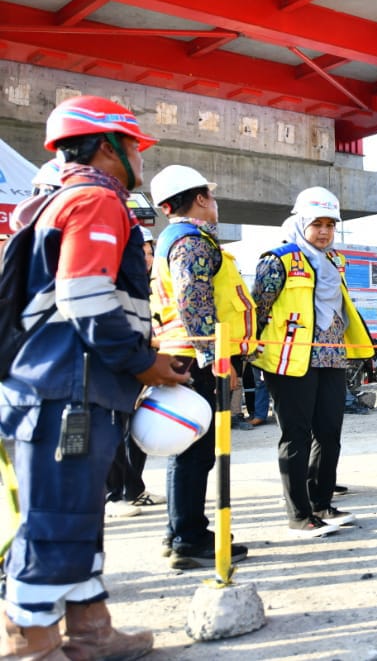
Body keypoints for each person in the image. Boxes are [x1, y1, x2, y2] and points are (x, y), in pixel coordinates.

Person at [1, 95, 187, 658]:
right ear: (107, 147)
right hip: (68, 391)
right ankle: (31, 643)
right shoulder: (95, 200)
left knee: (77, 515)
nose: (139, 157)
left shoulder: (55, 201)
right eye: (132, 145)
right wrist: (143, 363)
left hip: (60, 386)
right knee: (56, 519)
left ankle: (89, 630)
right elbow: (85, 300)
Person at [252, 186, 374, 538]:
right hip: (291, 361)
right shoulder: (278, 260)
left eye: (330, 225)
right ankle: (298, 514)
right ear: (301, 222)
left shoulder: (336, 261)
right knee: (296, 436)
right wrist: (253, 356)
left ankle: (322, 503)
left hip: (332, 358)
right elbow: (258, 310)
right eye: (317, 224)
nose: (324, 231)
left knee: (329, 434)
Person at [150, 164, 254, 569]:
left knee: (187, 447)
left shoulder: (172, 240)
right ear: (199, 199)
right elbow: (194, 302)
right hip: (195, 356)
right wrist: (216, 359)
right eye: (210, 196)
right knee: (195, 451)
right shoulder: (191, 242)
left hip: (181, 351)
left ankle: (179, 529)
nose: (215, 203)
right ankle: (188, 536)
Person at [104, 225, 162, 519]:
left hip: (143, 362)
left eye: (150, 252)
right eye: (141, 252)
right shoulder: (114, 283)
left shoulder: (150, 285)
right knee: (115, 430)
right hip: (119, 365)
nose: (146, 257)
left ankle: (134, 488)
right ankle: (114, 495)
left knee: (135, 428)